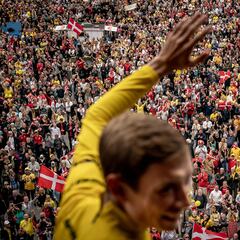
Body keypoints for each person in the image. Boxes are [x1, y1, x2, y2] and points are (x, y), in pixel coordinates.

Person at [54, 13, 211, 240]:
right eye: (165, 189)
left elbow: (96, 117)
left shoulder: (84, 183)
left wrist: (161, 64)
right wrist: (161, 64)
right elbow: (96, 116)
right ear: (118, 188)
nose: (186, 201)